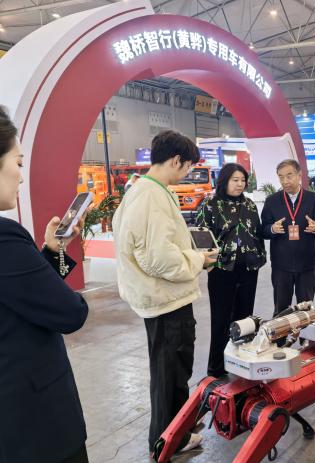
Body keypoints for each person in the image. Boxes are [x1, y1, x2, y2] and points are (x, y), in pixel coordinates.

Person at [113, 130, 217, 456]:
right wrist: (199, 259)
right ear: (176, 160)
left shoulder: (143, 190)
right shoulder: (152, 197)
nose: (187, 173)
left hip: (161, 299)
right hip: (166, 301)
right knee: (170, 372)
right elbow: (159, 258)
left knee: (169, 371)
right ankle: (168, 439)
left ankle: (175, 429)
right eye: (188, 166)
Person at [0, 106, 90, 462]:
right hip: (34, 424)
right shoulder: (5, 238)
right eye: (18, 162)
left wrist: (51, 252)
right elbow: (70, 312)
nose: (21, 177)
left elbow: (21, 296)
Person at [196, 163, 266, 376]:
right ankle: (216, 368)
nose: (240, 184)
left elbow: (257, 233)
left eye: (243, 180)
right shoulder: (211, 204)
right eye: (235, 180)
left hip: (248, 269)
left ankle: (241, 362)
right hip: (221, 271)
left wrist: (259, 258)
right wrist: (208, 263)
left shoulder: (250, 204)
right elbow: (201, 235)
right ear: (224, 181)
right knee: (221, 319)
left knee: (245, 319)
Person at [261, 160, 315, 315]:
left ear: (299, 175)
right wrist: (272, 229)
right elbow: (263, 230)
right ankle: (280, 332)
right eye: (281, 177)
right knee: (280, 309)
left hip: (307, 265)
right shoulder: (272, 201)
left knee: (306, 310)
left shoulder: (314, 199)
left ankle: (305, 332)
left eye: (289, 176)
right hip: (281, 266)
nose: (285, 181)